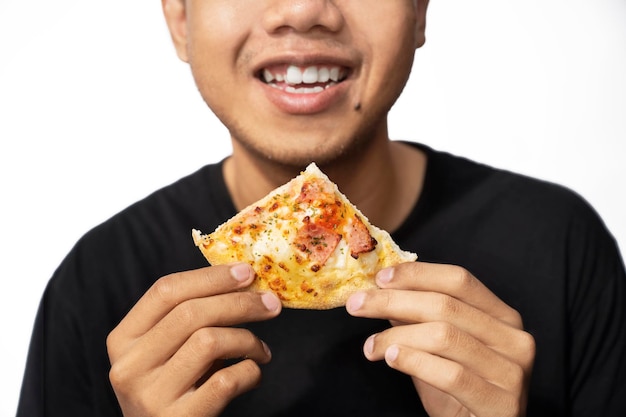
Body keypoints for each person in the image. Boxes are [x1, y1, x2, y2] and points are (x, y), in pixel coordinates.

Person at [16, 1, 625, 416]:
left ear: (419, 9)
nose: (304, 8)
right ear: (179, 17)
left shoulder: (560, 243)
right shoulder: (96, 285)